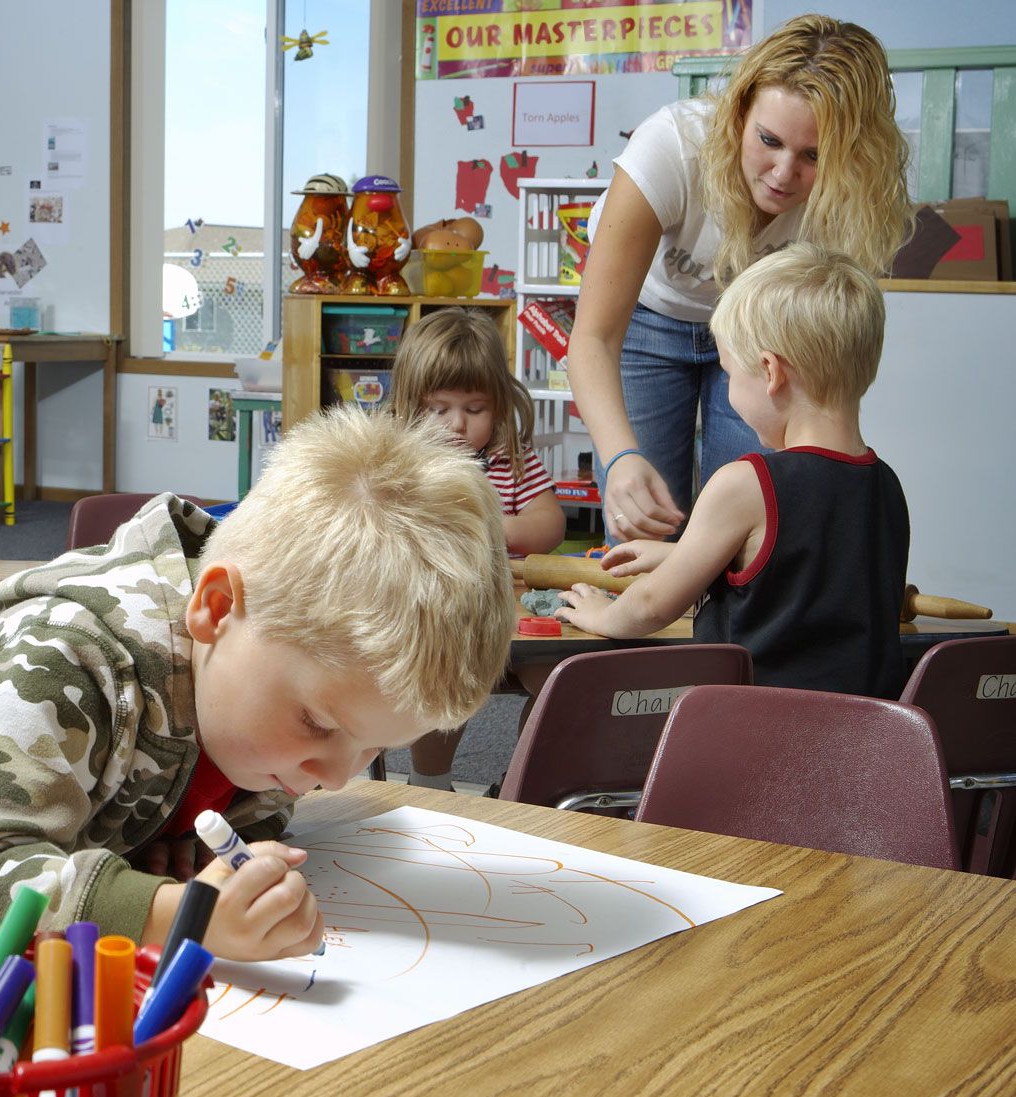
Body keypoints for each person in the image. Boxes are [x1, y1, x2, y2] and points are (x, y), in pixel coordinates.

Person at [0, 406, 517, 960]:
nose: (335, 775)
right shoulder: (67, 659)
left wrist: (194, 853)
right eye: (318, 723)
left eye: (373, 749)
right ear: (214, 610)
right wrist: (185, 914)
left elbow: (240, 803)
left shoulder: (260, 685)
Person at [569, 14, 911, 545]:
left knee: (744, 531)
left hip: (761, 342)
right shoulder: (671, 148)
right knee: (642, 525)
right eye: (768, 140)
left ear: (848, 154)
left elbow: (830, 359)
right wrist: (619, 458)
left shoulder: (851, 196)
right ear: (739, 112)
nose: (782, 173)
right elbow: (592, 338)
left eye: (813, 156)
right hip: (644, 323)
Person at [556, 242, 909, 699]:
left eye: (728, 373)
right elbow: (810, 586)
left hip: (754, 735)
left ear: (769, 372)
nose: (728, 391)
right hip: (863, 740)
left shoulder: (748, 483)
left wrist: (600, 614)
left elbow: (649, 605)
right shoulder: (886, 484)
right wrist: (681, 560)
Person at [388, 307, 567, 790]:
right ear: (409, 405)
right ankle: (430, 781)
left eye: (474, 409)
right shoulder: (401, 462)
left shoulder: (510, 455)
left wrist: (494, 526)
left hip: (510, 616)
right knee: (441, 681)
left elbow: (550, 524)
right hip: (436, 615)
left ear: (500, 405)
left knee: (558, 680)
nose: (456, 425)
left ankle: (526, 779)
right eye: (438, 409)